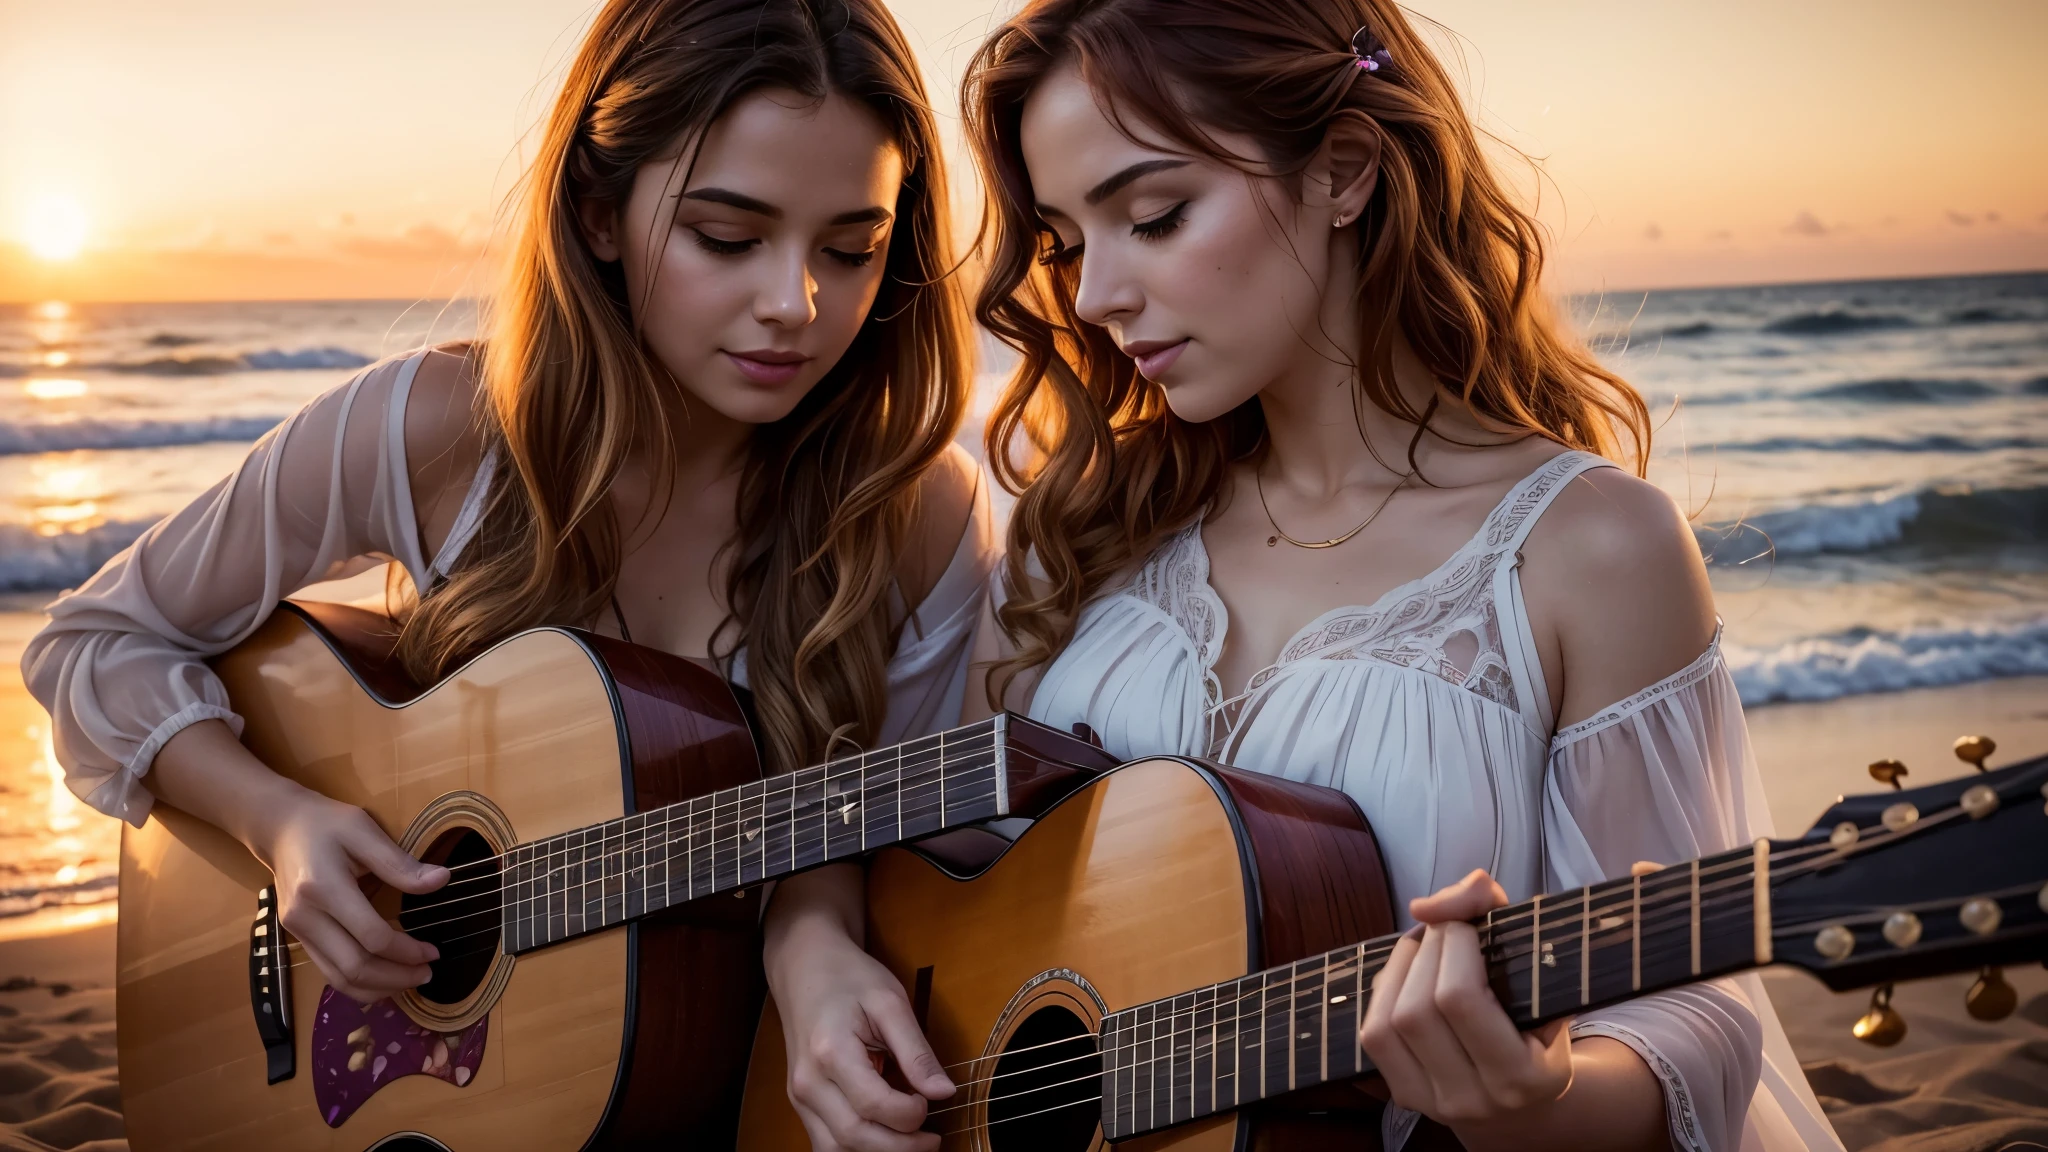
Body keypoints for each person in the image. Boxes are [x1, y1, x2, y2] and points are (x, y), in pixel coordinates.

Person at [768, 1, 1846, 1150]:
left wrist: (1534, 1105)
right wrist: (811, 952)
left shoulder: (1590, 550)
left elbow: (1692, 1018)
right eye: (1071, 242)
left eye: (1153, 215)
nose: (1092, 298)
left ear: (1342, 171)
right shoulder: (1078, 534)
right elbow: (908, 852)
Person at [22, 0, 993, 1018]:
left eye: (849, 250)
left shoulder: (914, 512)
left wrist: (814, 942)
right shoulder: (435, 431)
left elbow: (875, 844)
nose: (794, 302)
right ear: (594, 213)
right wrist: (280, 823)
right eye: (726, 236)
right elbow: (93, 646)